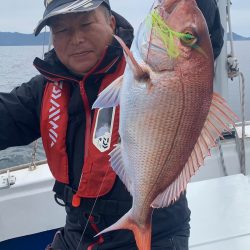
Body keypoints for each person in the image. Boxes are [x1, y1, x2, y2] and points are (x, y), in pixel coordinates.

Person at [0, 0, 224, 249]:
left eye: (86, 23)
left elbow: (202, 37)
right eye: (61, 30)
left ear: (111, 22)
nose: (76, 39)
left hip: (156, 235)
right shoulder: (45, 88)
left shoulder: (140, 63)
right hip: (78, 233)